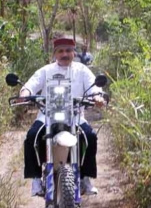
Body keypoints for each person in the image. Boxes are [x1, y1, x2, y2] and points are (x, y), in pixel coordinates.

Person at [20, 37, 104, 197]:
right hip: (47, 115)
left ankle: (85, 178)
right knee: (31, 137)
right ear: (55, 54)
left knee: (90, 137)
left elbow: (95, 87)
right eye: (61, 51)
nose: (65, 54)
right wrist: (25, 94)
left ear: (74, 53)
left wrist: (98, 96)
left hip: (75, 116)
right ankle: (36, 178)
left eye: (68, 51)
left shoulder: (82, 70)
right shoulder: (46, 71)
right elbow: (31, 85)